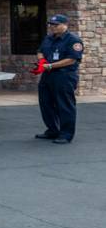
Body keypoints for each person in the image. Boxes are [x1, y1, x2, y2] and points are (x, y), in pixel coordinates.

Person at [35, 14, 84, 144]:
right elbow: (40, 51)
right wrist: (41, 61)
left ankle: (66, 134)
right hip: (48, 75)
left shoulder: (73, 40)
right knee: (46, 103)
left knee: (64, 105)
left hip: (64, 76)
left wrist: (51, 65)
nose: (52, 27)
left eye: (55, 25)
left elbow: (72, 59)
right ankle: (52, 130)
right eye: (51, 24)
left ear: (65, 25)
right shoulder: (49, 38)